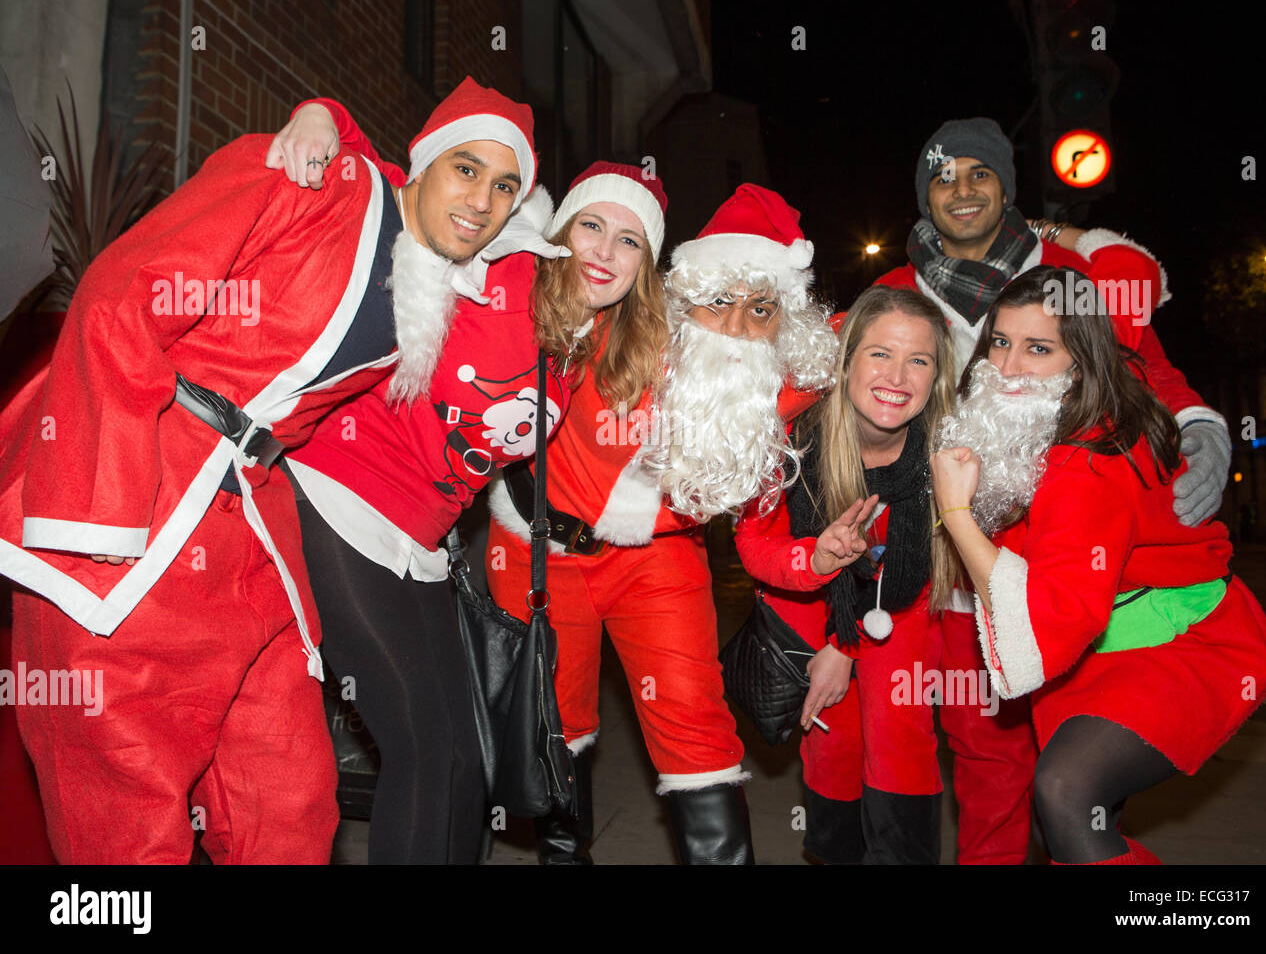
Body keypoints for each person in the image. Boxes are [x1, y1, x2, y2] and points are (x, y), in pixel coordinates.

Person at [0, 76, 541, 864]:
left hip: (251, 530)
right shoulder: (307, 182)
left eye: (505, 187)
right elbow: (121, 294)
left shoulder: (423, 288)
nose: (483, 199)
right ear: (421, 167)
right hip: (136, 501)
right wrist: (95, 510)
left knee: (288, 800)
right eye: (467, 169)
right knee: (122, 811)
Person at [266, 100, 668, 862]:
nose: (605, 252)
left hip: (421, 540)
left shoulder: (585, 347)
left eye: (629, 240)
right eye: (590, 226)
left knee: (463, 764)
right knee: (422, 749)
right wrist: (324, 119)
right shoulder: (502, 264)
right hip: (340, 496)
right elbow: (411, 188)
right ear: (555, 228)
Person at [874, 116, 1232, 864]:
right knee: (984, 757)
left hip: (1071, 558)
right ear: (924, 197)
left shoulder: (1070, 272)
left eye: (979, 173)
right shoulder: (894, 289)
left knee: (1067, 777)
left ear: (1005, 184)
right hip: (955, 560)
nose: (962, 190)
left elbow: (1140, 362)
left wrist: (1199, 426)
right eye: (943, 177)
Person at [486, 184, 838, 863]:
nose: (736, 325)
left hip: (658, 562)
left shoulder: (787, 373)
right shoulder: (613, 322)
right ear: (684, 295)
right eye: (718, 300)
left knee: (695, 725)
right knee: (553, 722)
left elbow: (885, 337)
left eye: (760, 307)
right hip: (539, 550)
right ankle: (564, 854)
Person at [931, 266, 1266, 864]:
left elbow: (1049, 616)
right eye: (1001, 342)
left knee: (1066, 794)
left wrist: (957, 511)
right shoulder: (1035, 422)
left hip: (1181, 647)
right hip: (1097, 649)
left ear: (1081, 360)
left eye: (1039, 349)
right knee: (1087, 817)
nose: (1009, 369)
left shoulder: (1086, 458)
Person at [735, 286, 959, 864]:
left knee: (897, 732)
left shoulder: (950, 453)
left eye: (920, 360)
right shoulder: (788, 438)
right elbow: (756, 544)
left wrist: (846, 646)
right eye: (880, 353)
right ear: (847, 359)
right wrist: (815, 560)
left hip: (900, 605)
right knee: (834, 754)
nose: (899, 375)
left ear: (937, 377)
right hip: (810, 602)